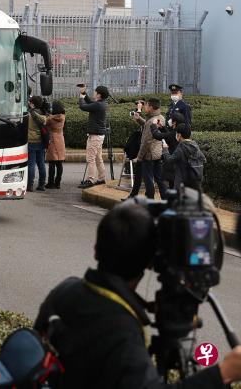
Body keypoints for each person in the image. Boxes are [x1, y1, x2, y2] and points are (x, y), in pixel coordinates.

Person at [34, 199, 241, 388]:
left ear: (96, 249)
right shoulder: (122, 334)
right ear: (150, 263)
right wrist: (223, 373)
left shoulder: (65, 290)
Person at [77, 85, 109, 189]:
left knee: (90, 158)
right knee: (98, 158)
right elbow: (91, 103)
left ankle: (90, 180)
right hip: (98, 136)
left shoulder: (99, 105)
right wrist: (84, 94)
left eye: (95, 92)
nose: (94, 93)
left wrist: (81, 97)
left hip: (95, 136)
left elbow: (83, 107)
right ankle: (101, 178)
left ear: (99, 94)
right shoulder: (101, 104)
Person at [136, 97, 166, 199]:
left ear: (151, 107)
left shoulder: (152, 120)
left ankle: (149, 201)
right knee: (159, 178)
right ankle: (166, 200)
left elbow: (146, 141)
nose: (145, 107)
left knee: (148, 180)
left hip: (149, 155)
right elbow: (148, 124)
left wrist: (139, 157)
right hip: (158, 153)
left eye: (147, 105)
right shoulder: (160, 117)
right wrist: (139, 119)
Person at [164, 125, 207, 191]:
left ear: (179, 135)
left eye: (176, 133)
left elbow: (169, 160)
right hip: (193, 181)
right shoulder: (195, 145)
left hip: (182, 182)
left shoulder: (181, 147)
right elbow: (204, 159)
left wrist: (165, 149)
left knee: (180, 199)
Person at [27, 96, 48, 192]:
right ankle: (42, 184)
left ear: (32, 103)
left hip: (31, 141)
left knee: (31, 164)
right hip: (41, 141)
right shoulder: (44, 114)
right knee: (41, 164)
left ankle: (30, 185)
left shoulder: (29, 115)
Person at [45, 100, 66, 189]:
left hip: (53, 139)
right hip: (60, 139)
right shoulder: (63, 117)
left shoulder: (50, 119)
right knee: (59, 163)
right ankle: (58, 183)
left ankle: (50, 183)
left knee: (52, 163)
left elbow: (45, 123)